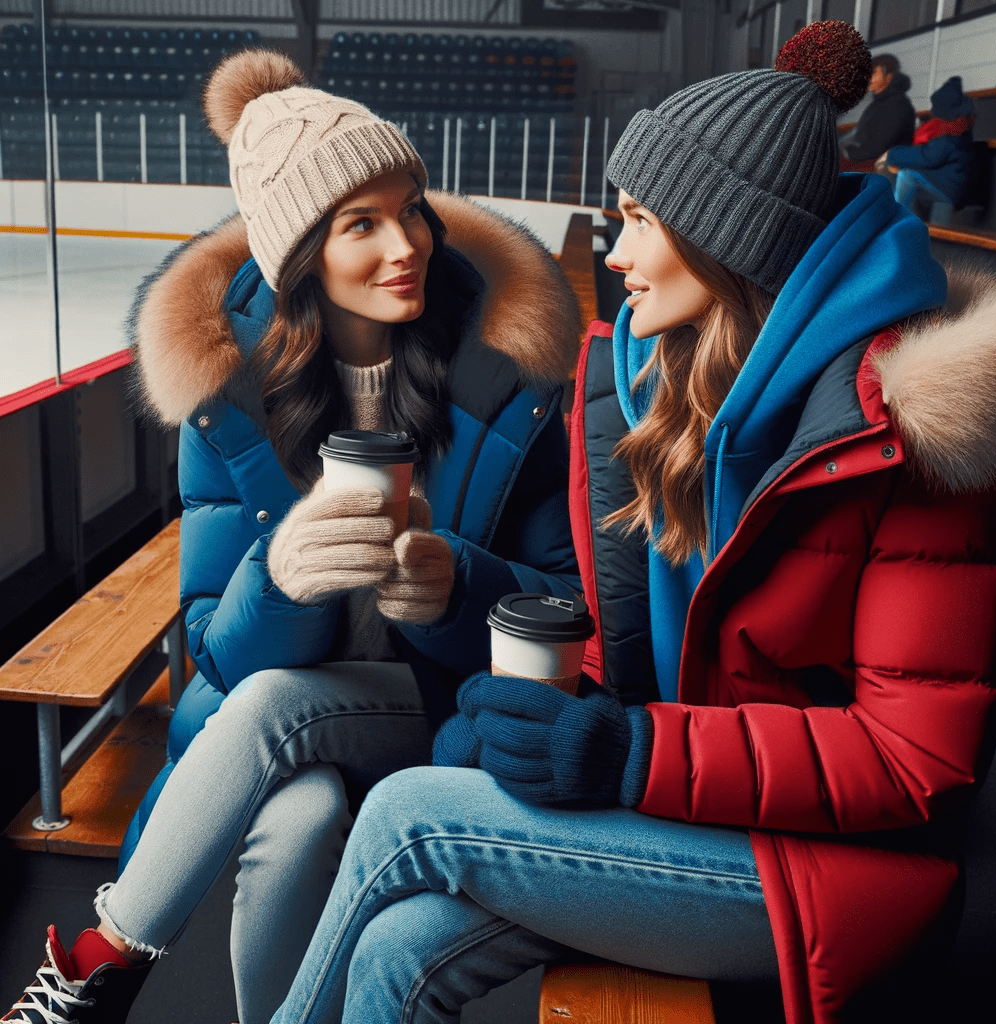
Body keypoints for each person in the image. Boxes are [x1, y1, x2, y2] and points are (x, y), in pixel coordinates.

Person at [259, 21, 996, 1024]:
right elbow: (612, 628)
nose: (613, 254)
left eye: (638, 222)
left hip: (837, 872)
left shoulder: (915, 444)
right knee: (402, 945)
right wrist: (468, 597)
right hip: (698, 808)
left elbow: (913, 763)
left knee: (406, 815)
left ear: (726, 239)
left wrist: (628, 751)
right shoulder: (664, 382)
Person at [4, 49, 582, 1024]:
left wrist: (455, 585)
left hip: (447, 706)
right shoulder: (227, 388)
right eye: (360, 223)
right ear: (297, 252)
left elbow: (561, 602)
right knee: (294, 817)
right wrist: (279, 578)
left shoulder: (502, 371)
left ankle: (93, 969)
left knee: (276, 705)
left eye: (410, 207)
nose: (404, 243)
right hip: (281, 730)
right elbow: (213, 643)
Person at [881, 75, 976, 225]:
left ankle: (896, 220)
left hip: (948, 188)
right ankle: (924, 225)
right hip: (951, 188)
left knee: (907, 175)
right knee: (913, 178)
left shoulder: (949, 135)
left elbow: (928, 157)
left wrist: (893, 155)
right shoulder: (961, 130)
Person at [839, 52, 915, 170]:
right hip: (866, 157)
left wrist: (849, 152)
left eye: (873, 73)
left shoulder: (897, 105)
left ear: (888, 77)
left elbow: (880, 147)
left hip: (881, 165)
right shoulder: (880, 102)